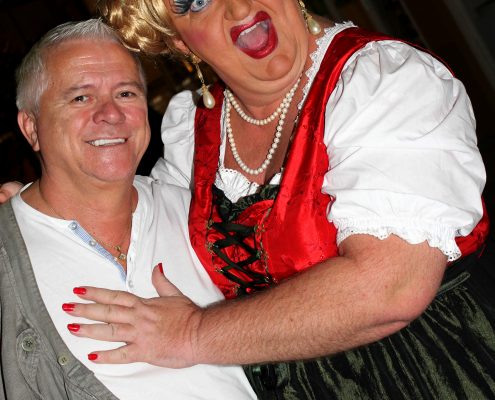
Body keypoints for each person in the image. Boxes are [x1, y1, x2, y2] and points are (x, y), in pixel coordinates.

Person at [2, 2, 494, 399]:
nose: (238, 8)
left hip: (431, 373)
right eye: (196, 2)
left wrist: (192, 334)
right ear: (180, 41)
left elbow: (390, 289)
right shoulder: (194, 131)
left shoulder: (384, 81)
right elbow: (145, 213)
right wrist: (28, 212)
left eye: (125, 94)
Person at [0, 18, 257, 400]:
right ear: (31, 128)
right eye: (81, 97)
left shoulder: (197, 210)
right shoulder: (7, 254)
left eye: (125, 93)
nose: (111, 114)